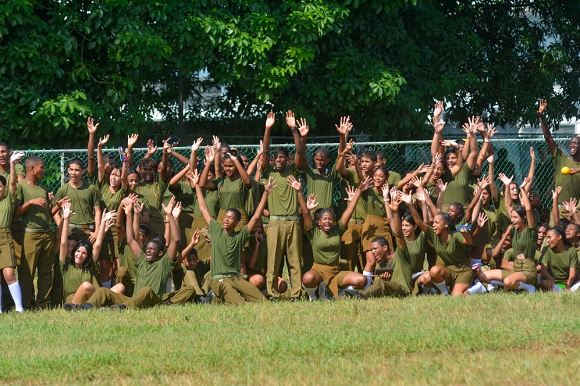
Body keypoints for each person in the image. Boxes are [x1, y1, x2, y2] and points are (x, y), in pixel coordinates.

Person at [64, 196, 181, 310]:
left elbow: (175, 240)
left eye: (151, 249)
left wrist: (170, 216)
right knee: (103, 291)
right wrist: (128, 214)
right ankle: (86, 307)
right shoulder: (142, 259)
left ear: (160, 253)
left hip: (152, 301)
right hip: (133, 301)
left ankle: (123, 308)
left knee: (147, 290)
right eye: (148, 248)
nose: (148, 250)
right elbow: (130, 239)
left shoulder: (164, 263)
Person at [193, 169, 275, 304]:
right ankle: (216, 296)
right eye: (225, 217)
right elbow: (203, 209)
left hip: (236, 278)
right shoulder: (216, 230)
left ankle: (217, 298)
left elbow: (255, 216)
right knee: (240, 303)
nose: (226, 220)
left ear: (237, 223)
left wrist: (265, 193)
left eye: (230, 218)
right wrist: (196, 185)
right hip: (219, 279)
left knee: (263, 302)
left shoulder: (240, 236)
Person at [292, 175, 369, 300]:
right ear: (319, 222)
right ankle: (313, 297)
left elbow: (348, 212)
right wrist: (299, 191)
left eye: (330, 219)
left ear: (334, 221)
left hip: (335, 271)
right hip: (319, 271)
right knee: (307, 278)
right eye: (325, 219)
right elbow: (306, 213)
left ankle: (342, 293)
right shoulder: (314, 232)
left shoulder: (337, 229)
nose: (327, 222)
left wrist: (359, 191)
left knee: (361, 280)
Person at [261, 111, 307, 301]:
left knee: (295, 260)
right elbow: (264, 152)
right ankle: (271, 293)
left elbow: (300, 151)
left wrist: (294, 129)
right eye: (276, 158)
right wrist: (268, 129)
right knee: (273, 260)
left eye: (282, 158)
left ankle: (296, 293)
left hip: (293, 222)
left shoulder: (293, 171)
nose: (278, 160)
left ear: (287, 160)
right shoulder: (268, 171)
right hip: (275, 223)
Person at [403, 190, 475, 296]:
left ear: (446, 224)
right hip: (447, 271)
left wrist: (465, 234)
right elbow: (419, 222)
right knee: (434, 270)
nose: (434, 225)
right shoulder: (433, 234)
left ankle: (478, 288)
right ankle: (444, 292)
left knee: (457, 296)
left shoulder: (455, 235)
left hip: (463, 271)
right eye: (434, 223)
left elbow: (469, 241)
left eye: (437, 223)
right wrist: (410, 204)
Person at [477, 175, 538, 292]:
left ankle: (529, 287)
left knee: (508, 281)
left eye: (516, 218)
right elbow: (508, 205)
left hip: (528, 271)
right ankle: (514, 284)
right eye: (512, 217)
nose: (513, 220)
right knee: (482, 276)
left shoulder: (531, 231)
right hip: (515, 269)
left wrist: (523, 190)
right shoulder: (515, 230)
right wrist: (507, 185)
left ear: (524, 218)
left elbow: (528, 209)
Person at [59, 202, 124, 305]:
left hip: (92, 298)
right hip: (74, 301)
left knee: (120, 287)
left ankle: (101, 304)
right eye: (78, 251)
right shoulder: (66, 265)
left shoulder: (89, 266)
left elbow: (98, 244)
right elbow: (63, 243)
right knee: (86, 286)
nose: (80, 255)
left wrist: (103, 223)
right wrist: (66, 219)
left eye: (84, 253)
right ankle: (104, 304)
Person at [15, 156, 58, 309]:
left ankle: (43, 304)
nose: (44, 170)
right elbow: (16, 212)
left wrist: (57, 206)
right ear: (31, 169)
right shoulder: (20, 187)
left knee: (47, 271)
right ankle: (27, 304)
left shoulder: (43, 189)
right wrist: (31, 202)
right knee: (27, 272)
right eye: (41, 167)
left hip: (47, 234)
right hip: (30, 235)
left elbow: (49, 213)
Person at [538, 99, 580, 223]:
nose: (572, 145)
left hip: (576, 210)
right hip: (559, 209)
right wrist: (541, 116)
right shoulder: (561, 158)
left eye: (576, 143)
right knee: (554, 237)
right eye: (571, 143)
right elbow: (548, 137)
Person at [52, 158, 101, 243]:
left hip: (88, 231)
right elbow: (55, 213)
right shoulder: (62, 190)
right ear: (68, 170)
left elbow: (97, 211)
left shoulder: (91, 188)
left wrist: (97, 232)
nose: (73, 173)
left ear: (83, 171)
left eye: (77, 170)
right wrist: (64, 229)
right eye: (71, 170)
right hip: (69, 231)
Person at [0, 151, 25, 313]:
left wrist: (12, 165)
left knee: (9, 274)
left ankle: (19, 308)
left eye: (0, 185)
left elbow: (13, 184)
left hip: (4, 236)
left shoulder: (8, 199)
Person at [538, 226, 579, 292]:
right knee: (544, 283)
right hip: (554, 284)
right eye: (547, 238)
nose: (548, 241)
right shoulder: (547, 249)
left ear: (559, 237)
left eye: (549, 237)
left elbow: (572, 273)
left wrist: (568, 286)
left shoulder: (571, 251)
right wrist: (551, 279)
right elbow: (543, 270)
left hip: (569, 283)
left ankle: (566, 290)